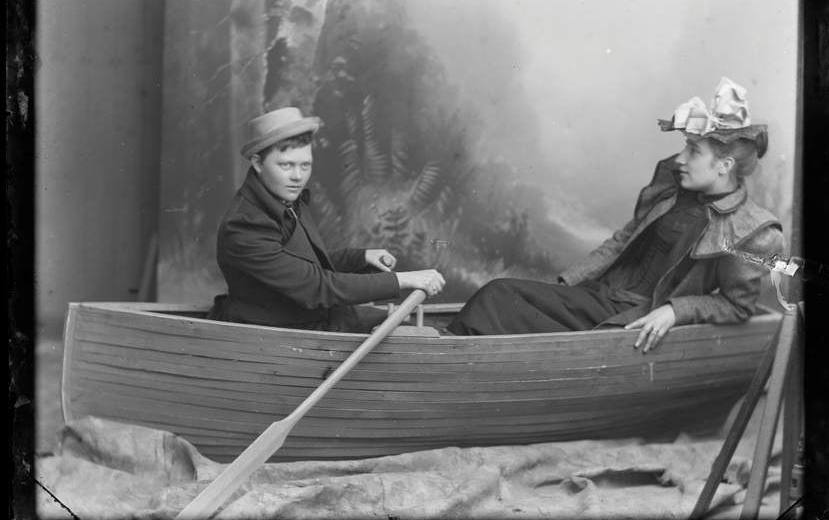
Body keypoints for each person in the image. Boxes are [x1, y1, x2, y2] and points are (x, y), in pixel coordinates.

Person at [445, 77, 785, 352]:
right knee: (502, 295)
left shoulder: (753, 230)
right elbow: (622, 241)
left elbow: (736, 306)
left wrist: (674, 310)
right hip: (601, 297)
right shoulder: (672, 193)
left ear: (725, 165)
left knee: (498, 297)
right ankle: (451, 354)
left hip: (632, 319)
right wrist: (566, 285)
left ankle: (450, 359)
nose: (680, 159)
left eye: (693, 150)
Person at [207, 107, 445, 332]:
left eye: (305, 165)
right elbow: (315, 287)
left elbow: (301, 265)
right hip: (285, 337)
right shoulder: (244, 226)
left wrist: (359, 257)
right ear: (258, 163)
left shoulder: (282, 198)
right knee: (419, 337)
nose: (298, 177)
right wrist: (402, 280)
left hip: (315, 318)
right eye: (286, 165)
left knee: (429, 331)